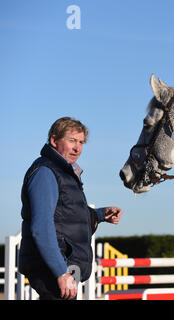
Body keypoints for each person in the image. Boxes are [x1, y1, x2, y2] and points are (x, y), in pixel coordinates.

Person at [19, 117, 123, 300]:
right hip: (54, 267)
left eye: (81, 142)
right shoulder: (46, 172)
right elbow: (41, 227)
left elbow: (66, 216)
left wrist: (99, 214)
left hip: (64, 265)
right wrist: (61, 272)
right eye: (72, 140)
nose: (78, 148)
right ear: (54, 140)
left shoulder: (65, 172)